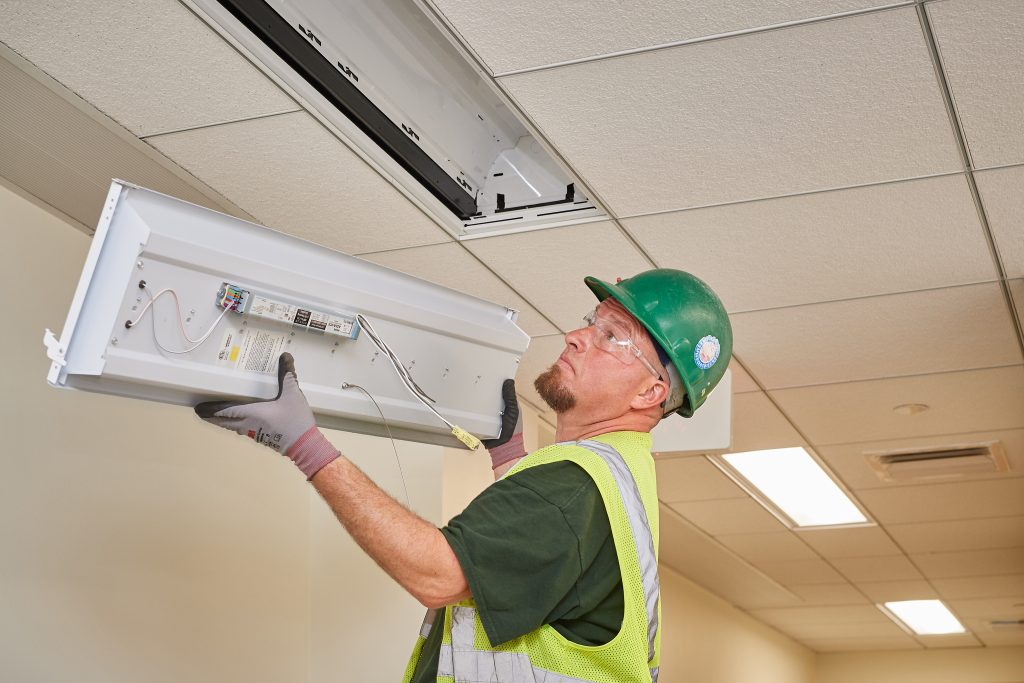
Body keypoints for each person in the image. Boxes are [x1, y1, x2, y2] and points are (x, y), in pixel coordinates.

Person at [195, 268, 732, 682]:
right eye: (593, 320)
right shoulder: (615, 478)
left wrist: (305, 448)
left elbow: (440, 575)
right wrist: (511, 461)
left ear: (650, 393)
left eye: (613, 336)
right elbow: (546, 572)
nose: (576, 336)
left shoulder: (575, 486)